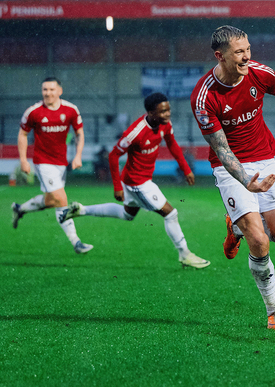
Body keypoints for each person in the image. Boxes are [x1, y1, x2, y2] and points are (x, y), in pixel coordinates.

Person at [191, 25, 275, 330]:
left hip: (265, 161)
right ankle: (274, 311)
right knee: (260, 239)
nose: (246, 57)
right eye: (239, 52)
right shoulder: (204, 98)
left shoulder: (258, 73)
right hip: (231, 169)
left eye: (248, 50)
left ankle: (236, 225)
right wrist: (245, 181)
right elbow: (221, 149)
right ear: (220, 56)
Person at [59, 93, 210, 269]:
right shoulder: (135, 132)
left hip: (138, 181)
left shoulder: (165, 125)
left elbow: (172, 144)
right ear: (151, 112)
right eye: (162, 111)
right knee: (170, 213)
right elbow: (114, 155)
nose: (167, 114)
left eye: (168, 110)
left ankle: (81, 210)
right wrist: (117, 187)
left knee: (127, 215)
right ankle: (185, 254)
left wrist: (186, 169)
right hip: (137, 183)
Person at [10, 77, 93, 254]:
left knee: (51, 200)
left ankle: (20, 209)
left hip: (61, 163)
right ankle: (76, 242)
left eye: (51, 89)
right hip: (43, 162)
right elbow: (22, 134)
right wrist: (23, 160)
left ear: (59, 91)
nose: (48, 93)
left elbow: (79, 133)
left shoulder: (70, 110)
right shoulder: (34, 112)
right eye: (45, 90)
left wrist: (78, 156)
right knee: (61, 199)